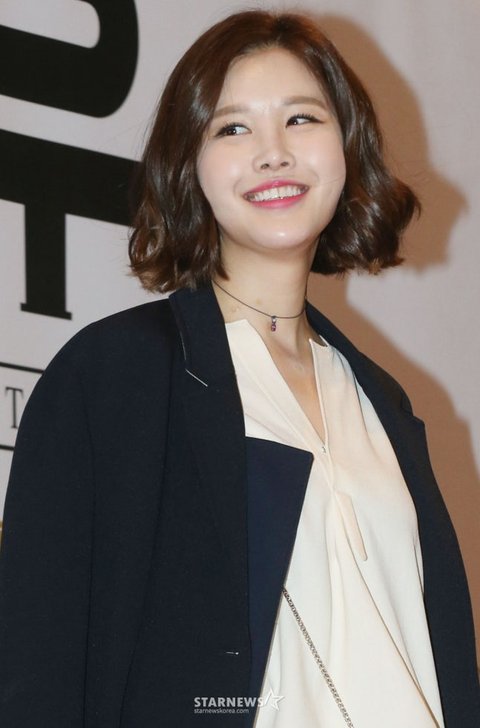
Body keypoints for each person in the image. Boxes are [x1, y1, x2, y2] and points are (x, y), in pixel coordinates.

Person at [0, 9, 478, 728]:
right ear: (188, 164)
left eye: (302, 119)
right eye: (232, 129)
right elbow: (39, 662)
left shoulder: (383, 403)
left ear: (347, 147)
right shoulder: (115, 377)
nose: (273, 153)